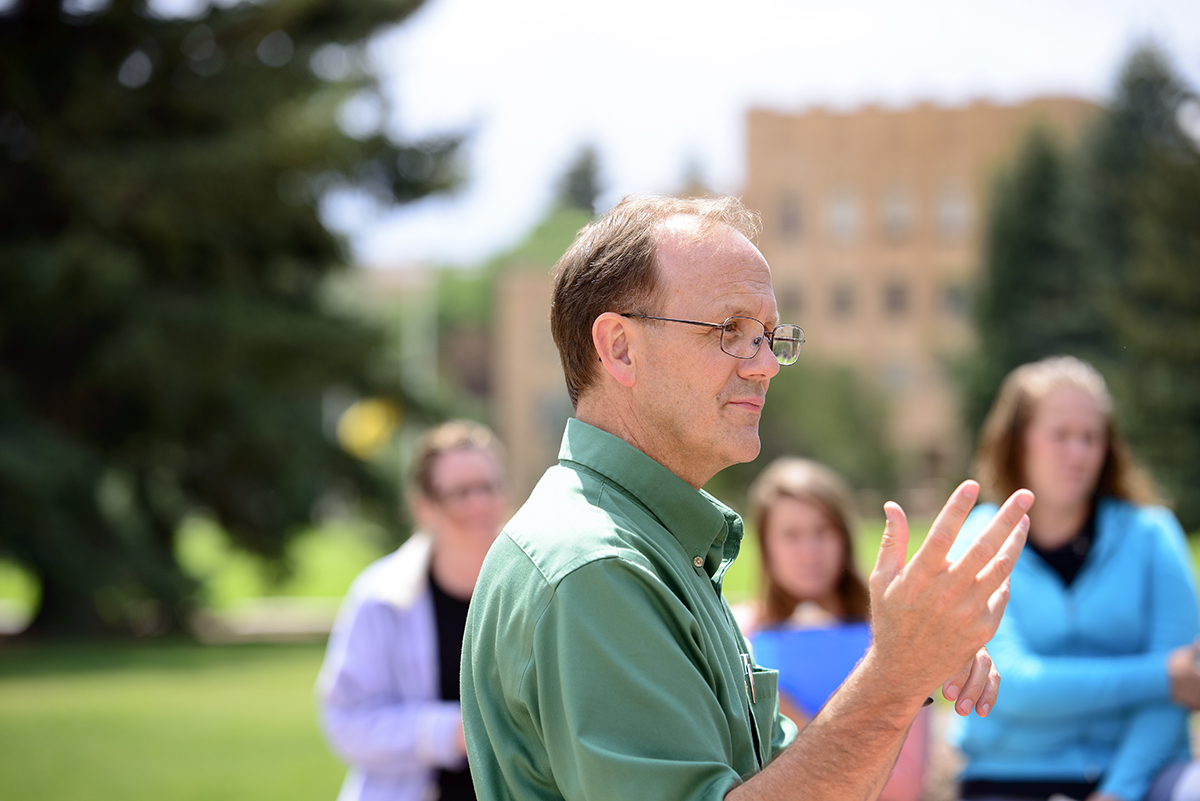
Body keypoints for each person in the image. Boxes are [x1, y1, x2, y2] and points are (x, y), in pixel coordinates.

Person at [461, 194, 1033, 801]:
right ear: (620, 348)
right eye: (731, 331)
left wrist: (908, 664)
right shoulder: (597, 567)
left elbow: (788, 783)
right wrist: (894, 675)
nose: (767, 366)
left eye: (769, 336)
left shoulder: (653, 543)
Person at [949, 356, 1200, 801]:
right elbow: (1011, 685)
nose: (1079, 453)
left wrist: (1120, 791)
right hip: (1010, 778)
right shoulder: (978, 540)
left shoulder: (1154, 535)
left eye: (1091, 437)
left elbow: (1184, 689)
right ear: (1019, 442)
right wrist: (1161, 676)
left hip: (1145, 778)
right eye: (1061, 435)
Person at [317, 420, 509, 801]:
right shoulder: (381, 596)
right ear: (424, 507)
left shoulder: (534, 588)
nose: (480, 504)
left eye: (489, 487)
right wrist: (455, 732)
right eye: (461, 492)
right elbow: (347, 722)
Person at [737, 457, 928, 801]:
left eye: (823, 531)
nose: (810, 551)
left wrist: (794, 720)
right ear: (765, 546)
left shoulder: (889, 632)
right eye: (791, 535)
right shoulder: (736, 634)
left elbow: (904, 787)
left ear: (844, 537)